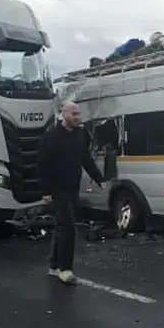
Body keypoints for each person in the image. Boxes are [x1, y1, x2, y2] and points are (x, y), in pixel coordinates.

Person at [37, 101, 104, 284]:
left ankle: (54, 265)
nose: (77, 117)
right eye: (74, 114)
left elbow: (85, 159)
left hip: (73, 187)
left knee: (61, 226)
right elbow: (42, 165)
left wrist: (99, 178)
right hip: (57, 188)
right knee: (68, 227)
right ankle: (65, 269)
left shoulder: (79, 135)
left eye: (78, 114)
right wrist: (46, 191)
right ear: (64, 114)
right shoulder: (51, 136)